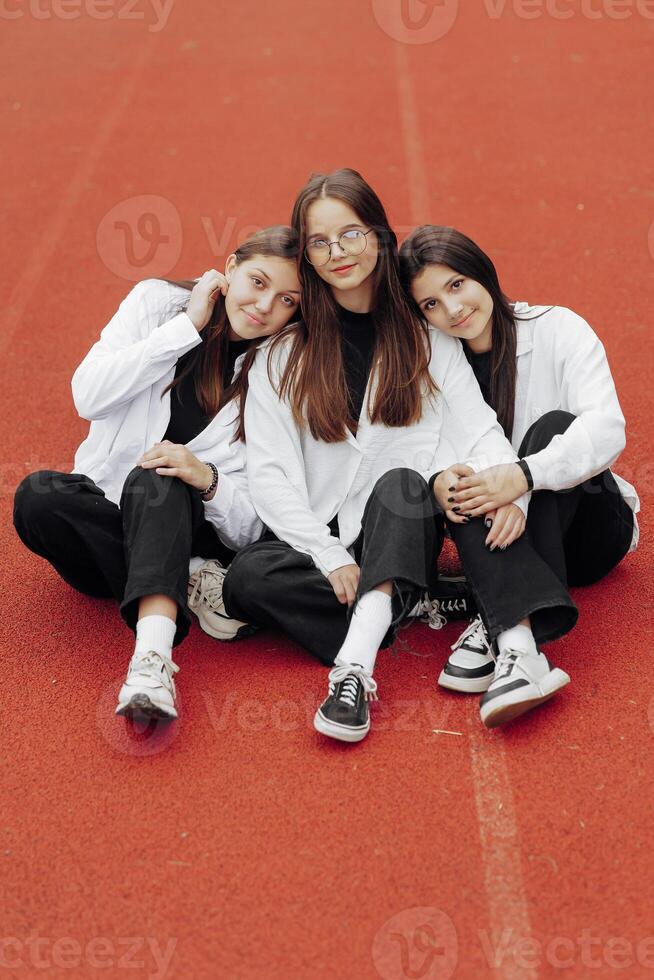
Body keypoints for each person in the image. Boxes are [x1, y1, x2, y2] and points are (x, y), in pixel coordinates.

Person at [221, 169, 578, 740]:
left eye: (352, 234)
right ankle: (415, 602)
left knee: (414, 482)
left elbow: (478, 428)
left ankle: (356, 670)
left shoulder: (425, 336)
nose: (338, 252)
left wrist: (514, 485)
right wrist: (329, 555)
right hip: (329, 547)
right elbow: (268, 475)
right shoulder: (281, 356)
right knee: (248, 579)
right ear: (307, 255)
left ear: (381, 237)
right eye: (319, 242)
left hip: (404, 522)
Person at [13, 227, 301, 721]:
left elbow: (254, 522)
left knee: (160, 474)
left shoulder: (284, 368)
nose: (264, 305)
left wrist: (205, 475)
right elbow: (89, 395)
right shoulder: (157, 304)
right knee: (37, 497)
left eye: (287, 300)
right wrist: (183, 330)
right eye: (257, 281)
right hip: (111, 529)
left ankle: (152, 661)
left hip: (192, 525)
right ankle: (186, 579)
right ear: (229, 268)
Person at [399, 225, 639, 696]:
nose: (453, 309)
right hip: (501, 531)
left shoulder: (558, 328)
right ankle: (518, 644)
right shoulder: (435, 364)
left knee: (553, 427)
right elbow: (428, 451)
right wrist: (442, 479)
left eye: (456, 285)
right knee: (460, 477)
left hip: (588, 534)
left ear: (480, 272)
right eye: (430, 304)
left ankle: (497, 614)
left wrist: (523, 479)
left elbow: (608, 429)